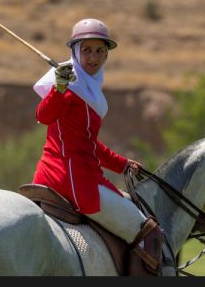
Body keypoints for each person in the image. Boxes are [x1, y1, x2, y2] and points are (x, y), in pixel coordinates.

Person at [32, 18, 162, 274]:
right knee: (149, 231)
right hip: (74, 180)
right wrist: (58, 88)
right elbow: (43, 116)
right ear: (75, 51)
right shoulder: (67, 87)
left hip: (64, 173)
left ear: (106, 54)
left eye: (99, 50)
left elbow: (88, 145)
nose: (93, 57)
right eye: (87, 50)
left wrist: (122, 163)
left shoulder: (89, 89)